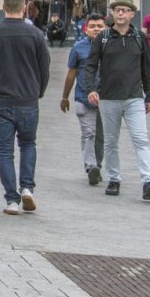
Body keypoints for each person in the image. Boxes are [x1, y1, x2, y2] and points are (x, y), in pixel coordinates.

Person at [0, 0, 50, 215]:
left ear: (3, 6)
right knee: (28, 144)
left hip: (1, 98)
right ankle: (27, 187)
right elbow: (44, 69)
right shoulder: (36, 34)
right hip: (27, 98)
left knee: (5, 151)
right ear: (24, 7)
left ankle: (11, 199)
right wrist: (38, 92)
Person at [82, 0, 150, 201]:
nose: (121, 14)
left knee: (141, 139)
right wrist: (91, 89)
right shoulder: (104, 37)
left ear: (132, 14)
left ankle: (148, 181)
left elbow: (146, 68)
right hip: (108, 98)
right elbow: (90, 65)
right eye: (117, 10)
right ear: (112, 13)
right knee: (110, 142)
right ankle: (114, 179)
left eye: (125, 10)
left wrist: (149, 95)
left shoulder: (139, 37)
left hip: (134, 97)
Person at [61, 13, 107, 186]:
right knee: (89, 133)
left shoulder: (110, 47)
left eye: (100, 26)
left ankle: (98, 165)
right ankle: (91, 167)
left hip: (106, 99)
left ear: (105, 28)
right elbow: (71, 74)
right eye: (93, 26)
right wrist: (64, 97)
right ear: (86, 29)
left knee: (101, 137)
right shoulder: (78, 48)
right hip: (83, 98)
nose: (96, 29)